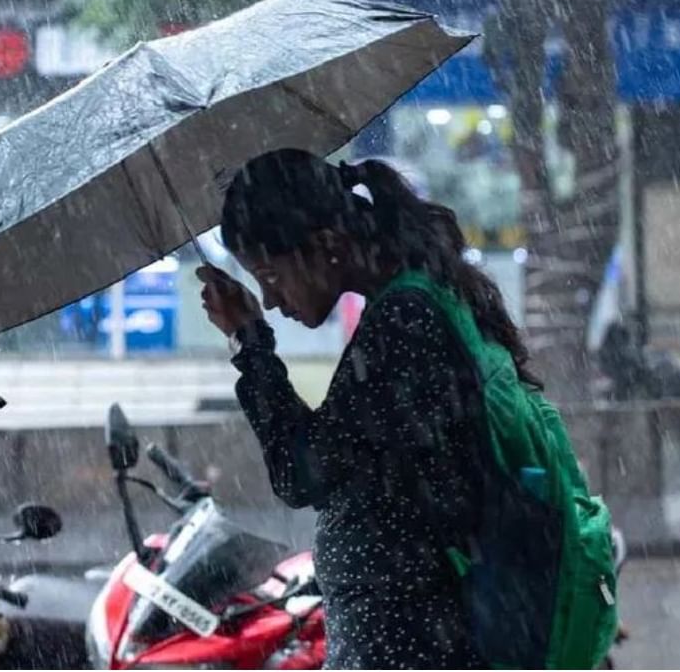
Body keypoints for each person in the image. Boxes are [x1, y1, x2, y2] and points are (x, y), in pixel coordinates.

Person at [196, 149, 542, 669]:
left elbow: (300, 471)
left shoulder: (403, 327)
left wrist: (251, 343)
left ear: (327, 246)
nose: (270, 299)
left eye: (271, 275)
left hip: (415, 642)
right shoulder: (414, 306)